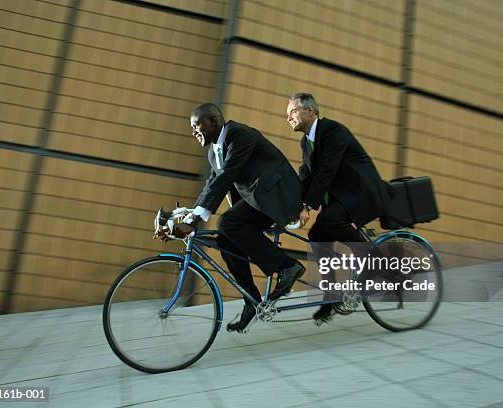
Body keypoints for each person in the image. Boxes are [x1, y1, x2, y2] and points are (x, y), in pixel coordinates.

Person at [158, 103, 305, 332]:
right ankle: (252, 301)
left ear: (214, 122)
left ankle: (288, 267)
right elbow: (211, 186)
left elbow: (227, 176)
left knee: (228, 223)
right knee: (226, 239)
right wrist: (188, 215)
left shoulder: (238, 134)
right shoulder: (212, 152)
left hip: (276, 195)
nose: (193, 132)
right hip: (257, 200)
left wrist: (194, 222)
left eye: (197, 126)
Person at [287, 93, 389, 325]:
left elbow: (326, 171)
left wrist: (307, 206)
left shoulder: (333, 131)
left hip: (361, 193)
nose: (288, 117)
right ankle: (330, 296)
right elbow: (306, 177)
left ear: (310, 111)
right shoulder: (306, 142)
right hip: (342, 198)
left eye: (292, 111)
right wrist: (290, 206)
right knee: (317, 235)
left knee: (328, 222)